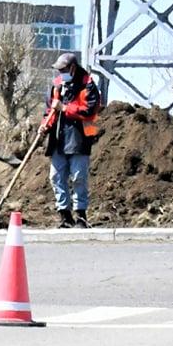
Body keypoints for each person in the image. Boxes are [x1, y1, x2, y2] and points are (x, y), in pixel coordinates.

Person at [40, 52, 104, 228]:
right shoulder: (57, 85)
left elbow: (90, 110)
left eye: (63, 69)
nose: (60, 73)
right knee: (56, 177)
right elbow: (49, 110)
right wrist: (45, 125)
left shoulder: (88, 84)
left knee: (78, 177)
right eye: (59, 70)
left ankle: (81, 216)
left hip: (79, 137)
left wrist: (65, 108)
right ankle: (65, 216)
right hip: (58, 138)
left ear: (73, 68)